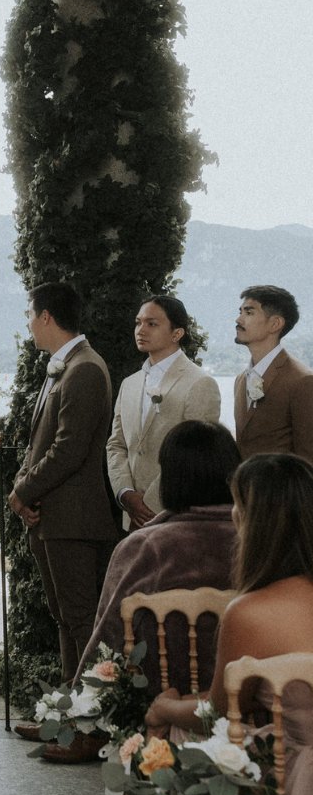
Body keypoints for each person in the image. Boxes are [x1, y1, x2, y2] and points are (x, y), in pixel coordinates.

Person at [146, 453, 313, 795]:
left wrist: (162, 708)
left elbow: (213, 712)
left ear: (258, 522)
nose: (234, 517)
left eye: (239, 506)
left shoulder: (250, 612)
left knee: (183, 755)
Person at [79, 420, 240, 695]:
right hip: (250, 708)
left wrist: (76, 707)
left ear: (170, 478)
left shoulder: (146, 547)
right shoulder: (263, 541)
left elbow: (108, 639)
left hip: (158, 706)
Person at [10, 282, 116, 684]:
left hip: (74, 520)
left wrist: (22, 491)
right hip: (53, 518)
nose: (29, 325)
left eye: (30, 316)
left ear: (46, 317)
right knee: (65, 619)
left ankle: (87, 717)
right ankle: (68, 713)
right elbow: (39, 443)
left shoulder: (85, 368)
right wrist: (24, 480)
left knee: (80, 621)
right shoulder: (65, 366)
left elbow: (69, 449)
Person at [107, 295, 221, 529]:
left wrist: (149, 504)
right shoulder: (129, 384)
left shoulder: (200, 383)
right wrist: (125, 493)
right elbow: (116, 444)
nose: (141, 330)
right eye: (138, 322)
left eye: (152, 324)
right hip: (131, 517)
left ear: (177, 333)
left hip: (174, 515)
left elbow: (195, 457)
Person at [233, 285, 313, 462]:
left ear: (275, 324)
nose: (238, 319)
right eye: (240, 312)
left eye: (249, 312)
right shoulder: (240, 380)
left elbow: (308, 460)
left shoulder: (302, 381)